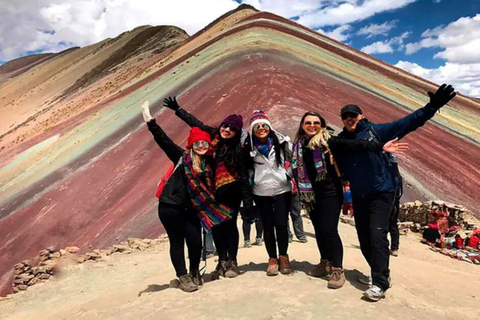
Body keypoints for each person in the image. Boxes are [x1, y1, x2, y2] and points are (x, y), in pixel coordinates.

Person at [337, 84, 456, 301]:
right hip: (360, 194)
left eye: (352, 115)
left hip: (382, 191)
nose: (349, 119)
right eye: (345, 116)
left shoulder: (377, 131)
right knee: (364, 237)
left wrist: (431, 107)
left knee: (377, 232)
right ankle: (380, 273)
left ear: (361, 115)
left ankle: (380, 283)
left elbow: (409, 122)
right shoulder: (342, 141)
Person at [292, 111, 407, 289]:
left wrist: (379, 146)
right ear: (302, 125)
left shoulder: (329, 141)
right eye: (308, 122)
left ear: (322, 125)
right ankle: (325, 262)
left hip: (331, 191)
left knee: (329, 230)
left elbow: (356, 145)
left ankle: (337, 269)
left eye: (316, 122)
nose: (312, 125)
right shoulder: (299, 145)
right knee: (319, 229)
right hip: (311, 193)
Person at [141, 101, 232, 292]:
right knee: (177, 242)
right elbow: (163, 140)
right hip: (170, 206)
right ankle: (182, 277)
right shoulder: (181, 157)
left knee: (195, 242)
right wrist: (150, 122)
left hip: (192, 208)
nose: (201, 146)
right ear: (191, 145)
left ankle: (194, 272)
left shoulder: (210, 164)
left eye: (204, 144)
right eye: (197, 143)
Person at [163, 96, 253, 278]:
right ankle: (221, 261)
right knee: (217, 225)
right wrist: (178, 110)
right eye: (225, 126)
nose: (227, 130)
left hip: (232, 192)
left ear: (237, 132)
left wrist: (248, 201)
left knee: (230, 225)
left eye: (232, 129)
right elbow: (195, 124)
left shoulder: (238, 150)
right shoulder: (213, 137)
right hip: (213, 191)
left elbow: (243, 177)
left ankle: (232, 262)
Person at [246, 110, 293, 276]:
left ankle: (283, 256)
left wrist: (289, 176)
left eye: (263, 125)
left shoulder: (283, 143)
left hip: (282, 189)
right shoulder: (249, 148)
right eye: (256, 126)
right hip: (261, 191)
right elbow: (247, 168)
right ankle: (272, 258)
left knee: (281, 223)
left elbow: (293, 160)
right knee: (267, 226)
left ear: (269, 126)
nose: (260, 128)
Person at [388, 154, 402, 257]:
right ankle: (394, 247)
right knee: (393, 225)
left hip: (389, 202)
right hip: (395, 203)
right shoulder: (398, 177)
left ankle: (389, 247)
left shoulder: (387, 173)